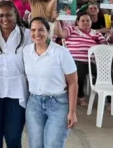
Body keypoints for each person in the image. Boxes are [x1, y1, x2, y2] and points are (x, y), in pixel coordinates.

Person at [23, 17, 78, 148]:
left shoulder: (61, 52)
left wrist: (72, 112)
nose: (37, 34)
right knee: (35, 145)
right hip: (34, 104)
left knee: (52, 144)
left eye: (41, 30)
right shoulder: (26, 51)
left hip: (58, 104)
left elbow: (73, 83)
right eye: (33, 30)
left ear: (48, 31)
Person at [0, 1, 31, 148]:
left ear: (16, 14)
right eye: (1, 16)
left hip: (17, 91)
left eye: (9, 15)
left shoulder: (27, 35)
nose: (5, 19)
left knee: (13, 136)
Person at [55, 12, 107, 107]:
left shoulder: (96, 33)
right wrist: (57, 20)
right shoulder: (71, 29)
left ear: (91, 22)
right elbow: (60, 34)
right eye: (82, 20)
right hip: (74, 61)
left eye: (88, 20)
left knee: (110, 73)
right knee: (79, 69)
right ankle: (80, 96)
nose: (85, 22)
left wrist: (106, 41)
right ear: (77, 22)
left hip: (92, 62)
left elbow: (104, 46)